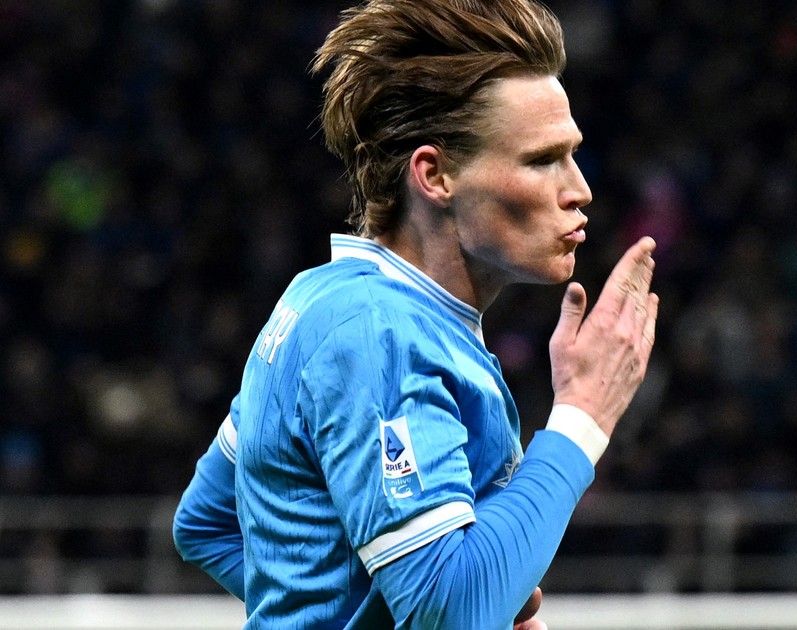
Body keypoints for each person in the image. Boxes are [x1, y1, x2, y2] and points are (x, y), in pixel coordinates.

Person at [172, 0, 660, 628]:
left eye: (572, 155)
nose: (580, 189)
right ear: (434, 175)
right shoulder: (378, 334)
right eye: (542, 160)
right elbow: (448, 609)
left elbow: (208, 522)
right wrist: (582, 416)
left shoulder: (321, 299)